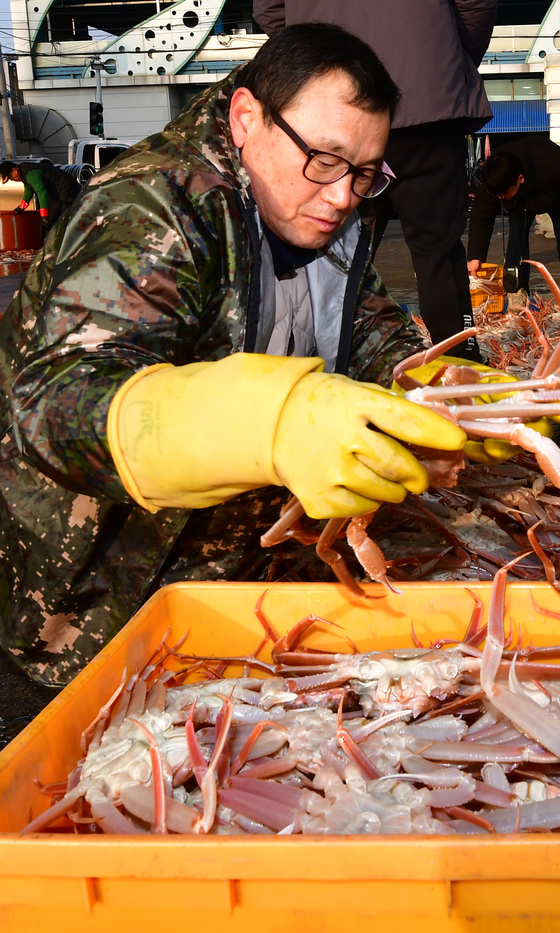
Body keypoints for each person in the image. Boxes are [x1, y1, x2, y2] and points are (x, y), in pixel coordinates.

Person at [0, 24, 482, 686]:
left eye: (366, 171)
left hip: (250, 566)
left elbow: (363, 319)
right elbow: (57, 404)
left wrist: (441, 382)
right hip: (106, 601)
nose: (343, 195)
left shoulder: (327, 198)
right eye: (325, 159)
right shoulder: (152, 207)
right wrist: (267, 419)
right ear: (246, 118)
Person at [256, 0, 497, 360]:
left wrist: (322, 64)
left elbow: (269, 8)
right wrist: (446, 55)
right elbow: (475, 5)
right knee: (437, 250)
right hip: (424, 94)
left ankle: (311, 365)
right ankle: (462, 363)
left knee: (325, 247)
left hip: (332, 106)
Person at [466, 138, 560, 301]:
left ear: (520, 178)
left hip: (558, 196)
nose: (500, 197)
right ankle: (516, 290)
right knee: (517, 241)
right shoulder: (493, 180)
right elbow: (480, 218)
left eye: (504, 193)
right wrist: (475, 257)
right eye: (498, 195)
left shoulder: (553, 162)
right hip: (519, 203)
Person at [6, 158, 81, 235]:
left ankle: (57, 242)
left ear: (14, 170)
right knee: (53, 218)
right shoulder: (25, 171)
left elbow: (42, 192)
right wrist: (22, 207)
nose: (12, 180)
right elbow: (29, 189)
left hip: (66, 190)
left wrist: (44, 216)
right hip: (59, 191)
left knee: (57, 218)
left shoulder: (31, 173)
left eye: (10, 177)